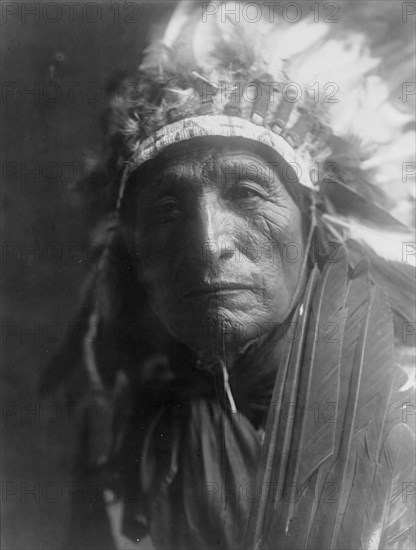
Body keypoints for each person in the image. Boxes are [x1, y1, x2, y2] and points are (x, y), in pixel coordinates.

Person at [41, 2, 415, 549]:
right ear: (137, 250)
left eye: (246, 192)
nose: (208, 243)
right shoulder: (134, 443)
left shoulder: (404, 409)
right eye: (169, 211)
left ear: (314, 227)